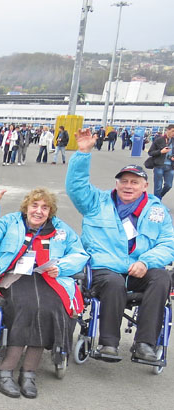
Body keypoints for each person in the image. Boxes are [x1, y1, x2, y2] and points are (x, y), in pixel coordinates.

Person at [66, 128, 174, 362]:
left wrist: (147, 262)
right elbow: (76, 187)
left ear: (144, 186)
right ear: (116, 184)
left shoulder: (157, 211)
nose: (128, 186)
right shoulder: (97, 203)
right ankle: (108, 344)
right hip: (105, 269)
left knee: (162, 278)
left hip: (140, 268)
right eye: (124, 181)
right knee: (114, 282)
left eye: (134, 182)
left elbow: (168, 244)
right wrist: (83, 153)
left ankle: (145, 343)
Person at [0, 178, 88, 398]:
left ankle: (28, 372)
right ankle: (5, 369)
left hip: (49, 279)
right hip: (16, 278)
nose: (39, 211)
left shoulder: (60, 229)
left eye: (44, 207)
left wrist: (62, 266)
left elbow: (80, 254)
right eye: (34, 206)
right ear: (26, 207)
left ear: (50, 211)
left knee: (50, 308)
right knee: (27, 306)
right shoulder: (11, 222)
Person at [146, 124, 174, 200]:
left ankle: (157, 198)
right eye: (172, 131)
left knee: (169, 185)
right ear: (167, 130)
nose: (173, 133)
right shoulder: (159, 140)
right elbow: (150, 152)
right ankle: (157, 201)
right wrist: (161, 151)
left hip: (170, 166)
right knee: (158, 186)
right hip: (159, 165)